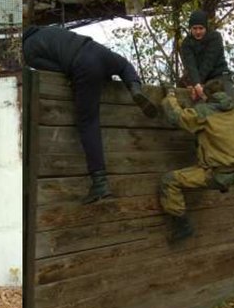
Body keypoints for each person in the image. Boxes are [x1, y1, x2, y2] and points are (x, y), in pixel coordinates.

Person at [23, 25, 158, 204]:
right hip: (96, 49)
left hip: (82, 63)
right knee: (124, 65)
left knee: (88, 123)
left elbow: (53, 70)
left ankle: (100, 183)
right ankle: (134, 88)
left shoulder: (28, 48)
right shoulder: (49, 30)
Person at [158, 78, 234, 242]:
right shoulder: (231, 109)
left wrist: (170, 94)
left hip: (218, 174)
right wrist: (201, 101)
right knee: (202, 139)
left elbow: (176, 117)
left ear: (207, 96)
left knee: (169, 181)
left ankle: (182, 225)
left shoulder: (204, 113)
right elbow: (210, 116)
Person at [179, 9, 232, 102]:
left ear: (206, 28)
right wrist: (196, 84)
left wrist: (198, 85)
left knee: (228, 103)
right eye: (195, 28)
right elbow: (191, 66)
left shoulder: (215, 38)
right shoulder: (186, 43)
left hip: (220, 76)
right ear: (190, 29)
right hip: (200, 79)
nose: (198, 32)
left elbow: (208, 62)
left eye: (201, 28)